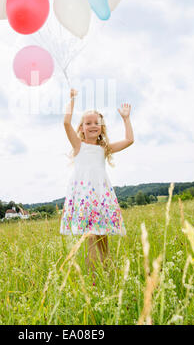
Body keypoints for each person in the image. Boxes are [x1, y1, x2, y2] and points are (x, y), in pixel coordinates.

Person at [60, 88, 134, 282]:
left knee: (103, 238)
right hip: (85, 196)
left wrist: (126, 118)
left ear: (101, 127)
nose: (93, 126)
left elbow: (129, 140)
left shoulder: (104, 148)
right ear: (82, 127)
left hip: (101, 196)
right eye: (88, 123)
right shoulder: (79, 145)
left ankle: (108, 275)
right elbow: (66, 122)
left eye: (97, 123)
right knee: (91, 236)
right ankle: (93, 281)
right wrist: (72, 100)